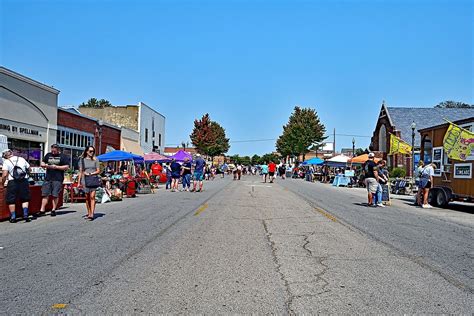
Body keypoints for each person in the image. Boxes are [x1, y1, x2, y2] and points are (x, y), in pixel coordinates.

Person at [39, 144, 70, 217]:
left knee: (55, 194)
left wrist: (56, 167)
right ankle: (42, 210)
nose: (53, 152)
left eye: (54, 151)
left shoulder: (63, 156)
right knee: (45, 194)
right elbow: (43, 162)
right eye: (52, 151)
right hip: (48, 178)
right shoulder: (48, 155)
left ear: (58, 150)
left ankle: (53, 209)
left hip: (58, 178)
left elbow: (66, 167)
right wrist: (43, 164)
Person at [1, 149, 31, 223]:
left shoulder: (6, 162)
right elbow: (29, 169)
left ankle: (13, 217)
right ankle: (25, 215)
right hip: (24, 181)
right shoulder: (21, 159)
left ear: (5, 156)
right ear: (11, 153)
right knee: (25, 199)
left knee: (11, 200)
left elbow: (4, 175)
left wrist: (2, 183)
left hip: (12, 182)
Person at [78, 146, 101, 221]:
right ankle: (89, 212)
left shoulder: (96, 160)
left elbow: (98, 170)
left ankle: (92, 214)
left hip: (93, 179)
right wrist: (78, 182)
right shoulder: (82, 160)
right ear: (86, 152)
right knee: (87, 197)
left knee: (92, 196)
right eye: (90, 151)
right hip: (85, 180)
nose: (92, 153)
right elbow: (81, 171)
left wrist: (91, 173)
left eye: (93, 151)